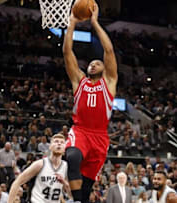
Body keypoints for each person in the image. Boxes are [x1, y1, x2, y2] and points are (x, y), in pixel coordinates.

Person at [62, 1, 118, 202]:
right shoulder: (79, 81)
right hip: (81, 131)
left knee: (86, 188)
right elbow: (68, 53)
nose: (93, 65)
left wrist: (95, 22)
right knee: (73, 156)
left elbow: (109, 51)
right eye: (91, 63)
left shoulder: (109, 82)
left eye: (97, 63)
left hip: (100, 137)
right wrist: (72, 23)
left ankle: (80, 199)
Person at [7, 134, 70, 203]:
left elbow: (72, 196)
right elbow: (17, 182)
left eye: (62, 142)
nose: (59, 144)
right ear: (50, 146)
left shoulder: (66, 167)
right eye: (56, 141)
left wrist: (65, 183)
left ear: (65, 148)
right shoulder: (40, 164)